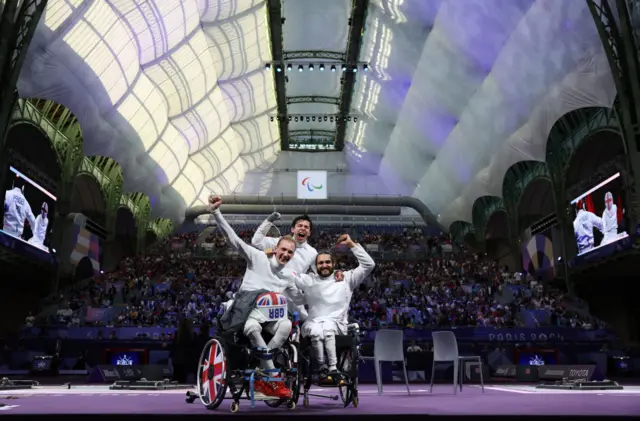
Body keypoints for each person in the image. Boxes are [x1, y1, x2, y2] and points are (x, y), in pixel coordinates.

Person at [208, 195, 301, 399]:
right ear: (275, 249)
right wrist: (216, 213)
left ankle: (262, 372)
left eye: (290, 253)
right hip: (245, 313)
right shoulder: (257, 258)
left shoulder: (287, 277)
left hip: (268, 319)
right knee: (252, 326)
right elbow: (234, 240)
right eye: (283, 249)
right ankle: (273, 378)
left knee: (285, 325)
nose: (286, 254)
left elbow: (299, 301)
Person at [282, 234, 375, 382]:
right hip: (313, 324)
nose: (324, 265)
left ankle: (331, 368)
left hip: (337, 325)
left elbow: (369, 265)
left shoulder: (346, 278)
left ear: (333, 263)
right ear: (315, 266)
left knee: (327, 327)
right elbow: (288, 274)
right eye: (320, 263)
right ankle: (324, 367)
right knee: (318, 329)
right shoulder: (309, 280)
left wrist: (351, 244)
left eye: (327, 262)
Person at [251, 212, 343, 318]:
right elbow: (256, 241)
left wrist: (336, 272)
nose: (303, 228)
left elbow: (321, 272)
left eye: (306, 227)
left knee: (307, 321)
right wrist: (268, 221)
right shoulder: (278, 242)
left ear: (309, 232)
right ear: (292, 229)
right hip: (270, 289)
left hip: (293, 294)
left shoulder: (312, 252)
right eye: (300, 226)